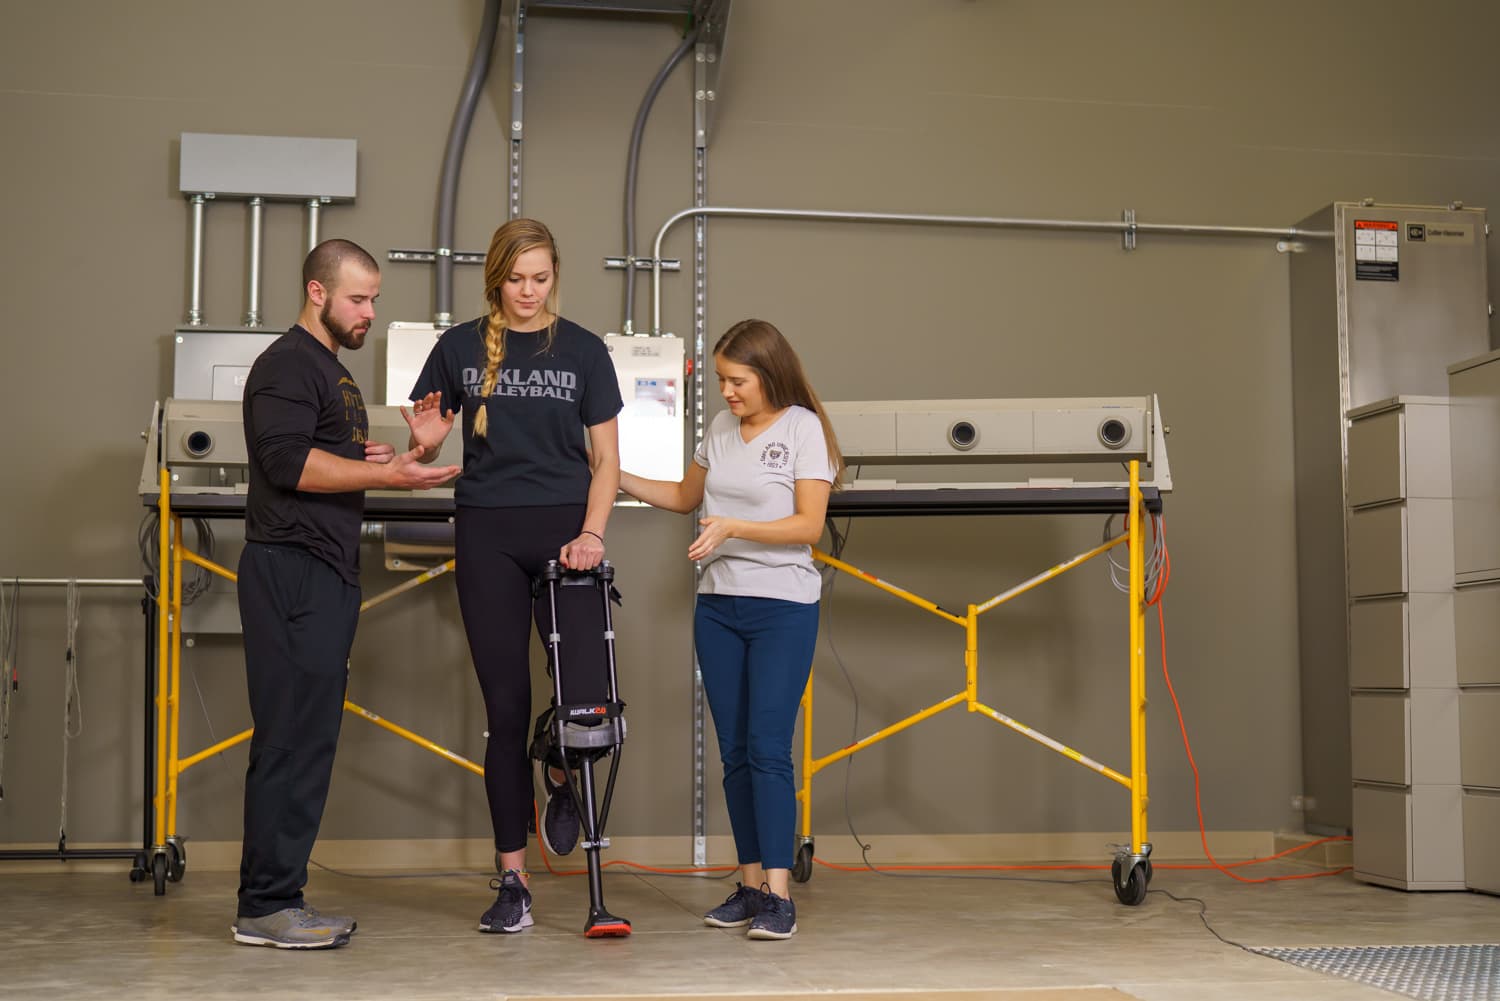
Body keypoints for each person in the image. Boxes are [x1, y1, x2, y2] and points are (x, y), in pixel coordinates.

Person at [232, 239, 461, 949]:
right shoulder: (284, 367)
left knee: (312, 738)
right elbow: (289, 463)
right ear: (317, 293)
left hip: (326, 573)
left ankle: (281, 896)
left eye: (374, 300)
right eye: (359, 299)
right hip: (290, 570)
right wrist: (393, 478)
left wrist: (410, 451)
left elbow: (340, 459)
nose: (370, 313)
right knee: (289, 738)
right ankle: (265, 904)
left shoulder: (335, 378)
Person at [404, 218, 622, 934]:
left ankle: (558, 765)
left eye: (541, 278)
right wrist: (425, 439)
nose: (528, 292)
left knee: (585, 702)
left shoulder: (586, 350)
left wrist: (592, 533)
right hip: (488, 531)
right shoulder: (459, 347)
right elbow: (426, 433)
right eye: (515, 279)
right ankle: (512, 879)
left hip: (568, 534)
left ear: (554, 275)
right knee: (504, 711)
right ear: (495, 276)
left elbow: (606, 462)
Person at [618, 318, 842, 941]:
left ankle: (778, 894)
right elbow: (687, 497)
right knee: (736, 753)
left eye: (737, 380)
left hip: (782, 608)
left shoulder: (804, 429)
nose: (727, 393)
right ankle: (748, 885)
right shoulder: (719, 429)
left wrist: (734, 528)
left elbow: (807, 527)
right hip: (718, 609)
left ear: (769, 373)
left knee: (769, 749)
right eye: (721, 380)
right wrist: (611, 475)